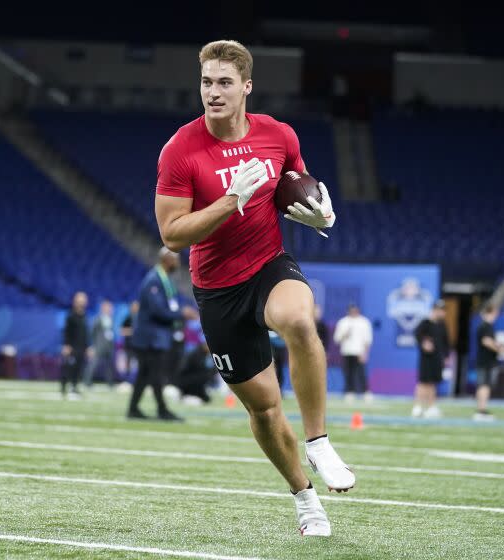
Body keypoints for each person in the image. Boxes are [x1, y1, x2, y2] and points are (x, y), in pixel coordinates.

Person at [154, 40, 351, 537]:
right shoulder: (180, 149)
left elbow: (297, 187)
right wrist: (228, 201)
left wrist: (320, 213)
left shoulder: (277, 134)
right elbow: (171, 235)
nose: (213, 92)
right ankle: (305, 499)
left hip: (268, 264)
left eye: (224, 82)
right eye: (206, 82)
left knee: (301, 321)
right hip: (217, 289)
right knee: (263, 409)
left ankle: (319, 440)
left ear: (246, 86)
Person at [127, 247, 198, 421]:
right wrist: (182, 313)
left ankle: (133, 409)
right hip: (150, 338)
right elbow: (158, 310)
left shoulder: (164, 279)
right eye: (175, 260)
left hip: (156, 336)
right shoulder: (154, 280)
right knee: (155, 374)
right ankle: (162, 410)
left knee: (145, 374)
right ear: (166, 260)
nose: (178, 263)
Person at [412, 300, 450, 418]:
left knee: (433, 383)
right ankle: (418, 407)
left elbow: (446, 342)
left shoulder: (442, 324)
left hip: (437, 359)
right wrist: (424, 343)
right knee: (423, 383)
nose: (443, 313)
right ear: (435, 310)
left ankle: (431, 407)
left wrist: (446, 356)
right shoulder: (425, 323)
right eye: (440, 310)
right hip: (426, 359)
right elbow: (417, 335)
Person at [333, 303, 373, 403]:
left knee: (361, 373)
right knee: (348, 373)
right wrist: (344, 335)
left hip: (359, 352)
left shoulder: (364, 322)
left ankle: (365, 392)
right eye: (351, 311)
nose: (353, 312)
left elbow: (367, 340)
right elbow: (337, 339)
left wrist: (365, 353)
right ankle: (349, 392)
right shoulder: (343, 322)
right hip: (346, 352)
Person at [474, 304, 504, 421]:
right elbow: (486, 341)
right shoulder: (485, 326)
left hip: (485, 360)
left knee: (483, 385)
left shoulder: (486, 326)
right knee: (485, 385)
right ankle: (482, 410)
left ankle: (481, 409)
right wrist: (499, 349)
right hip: (486, 361)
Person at [60, 291, 90, 398]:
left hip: (81, 346)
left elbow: (85, 333)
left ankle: (74, 387)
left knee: (78, 368)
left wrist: (87, 347)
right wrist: (66, 345)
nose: (82, 303)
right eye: (80, 300)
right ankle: (63, 387)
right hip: (72, 346)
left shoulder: (84, 315)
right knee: (69, 367)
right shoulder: (71, 315)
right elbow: (67, 332)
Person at [84, 299, 117, 388]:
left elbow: (110, 333)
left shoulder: (111, 319)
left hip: (109, 346)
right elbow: (93, 332)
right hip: (99, 345)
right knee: (94, 363)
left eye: (110, 307)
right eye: (107, 307)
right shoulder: (98, 319)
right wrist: (93, 345)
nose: (110, 309)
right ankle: (87, 381)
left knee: (109, 366)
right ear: (103, 308)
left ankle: (110, 383)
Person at [176, 335, 217, 405]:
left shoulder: (208, 354)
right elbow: (183, 371)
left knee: (207, 399)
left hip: (197, 381)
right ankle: (186, 393)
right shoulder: (195, 354)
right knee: (203, 377)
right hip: (187, 381)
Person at [120, 300, 140, 378]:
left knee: (140, 363)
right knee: (128, 362)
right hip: (129, 344)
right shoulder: (128, 318)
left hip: (139, 345)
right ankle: (127, 379)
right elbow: (122, 331)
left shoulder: (141, 318)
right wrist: (132, 331)